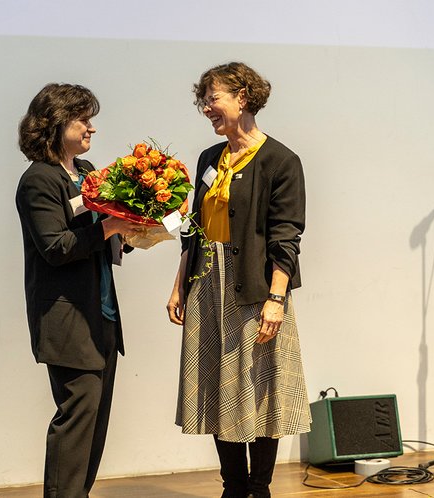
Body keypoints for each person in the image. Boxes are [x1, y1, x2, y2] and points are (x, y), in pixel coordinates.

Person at [166, 62, 311, 498]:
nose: (206, 108)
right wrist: (179, 283)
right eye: (203, 101)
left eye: (212, 98)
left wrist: (276, 298)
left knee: (263, 383)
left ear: (242, 97)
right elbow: (193, 226)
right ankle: (233, 485)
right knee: (216, 380)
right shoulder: (209, 159)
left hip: (256, 285)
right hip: (207, 283)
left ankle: (259, 486)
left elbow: (287, 235)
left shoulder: (281, 160)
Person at [15, 83, 139, 498]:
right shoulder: (39, 180)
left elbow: (97, 234)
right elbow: (54, 247)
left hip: (101, 316)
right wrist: (110, 227)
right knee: (76, 421)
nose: (92, 128)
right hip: (68, 321)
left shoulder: (87, 173)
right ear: (55, 123)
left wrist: (131, 234)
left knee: (95, 424)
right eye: (83, 119)